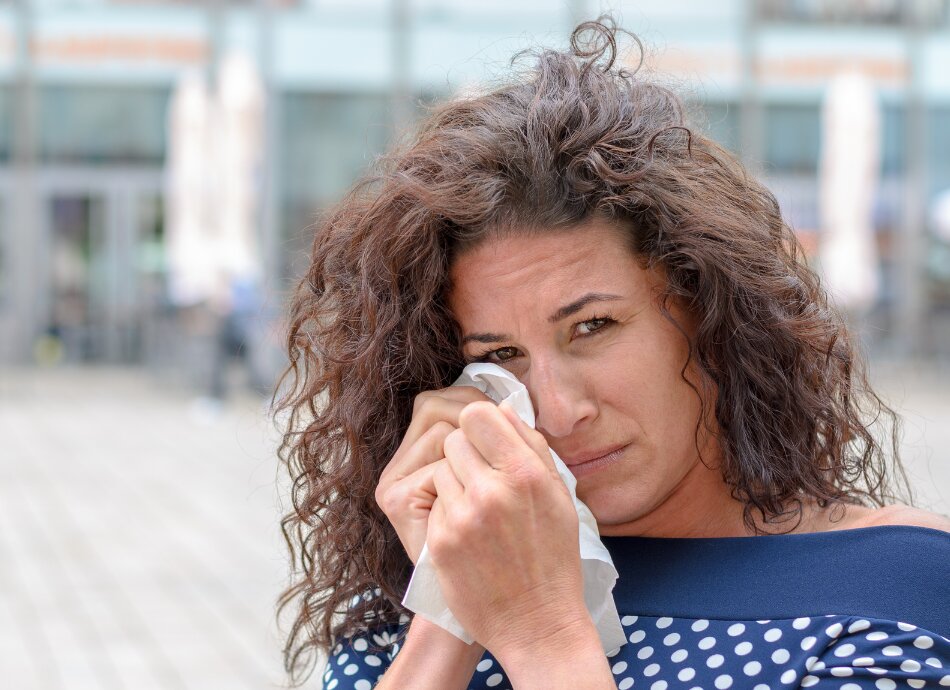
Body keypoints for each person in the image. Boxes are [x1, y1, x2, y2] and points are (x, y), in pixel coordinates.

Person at [273, 18, 950, 690]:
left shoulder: (893, 586)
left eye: (593, 326)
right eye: (502, 352)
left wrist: (543, 632)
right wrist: (449, 610)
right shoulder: (408, 613)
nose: (560, 413)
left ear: (707, 311)